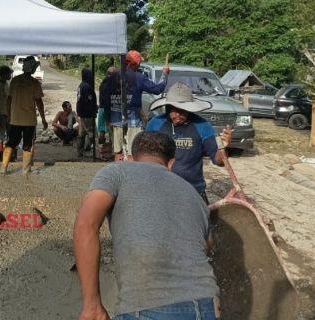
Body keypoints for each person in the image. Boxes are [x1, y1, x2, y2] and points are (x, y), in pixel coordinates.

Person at [73, 132, 219, 320]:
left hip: (149, 304)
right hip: (208, 304)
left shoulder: (117, 171)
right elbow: (206, 246)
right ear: (171, 163)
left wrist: (91, 305)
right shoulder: (194, 194)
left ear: (132, 158)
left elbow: (86, 224)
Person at [145, 82, 232, 204]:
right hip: (160, 188)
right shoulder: (155, 124)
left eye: (182, 110)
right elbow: (144, 156)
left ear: (190, 108)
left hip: (193, 189)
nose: (177, 114)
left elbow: (219, 161)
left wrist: (223, 148)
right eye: (173, 109)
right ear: (167, 107)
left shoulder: (202, 126)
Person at [103, 50, 168, 161]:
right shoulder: (139, 77)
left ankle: (118, 174)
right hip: (133, 119)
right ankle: (131, 175)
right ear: (136, 63)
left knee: (118, 152)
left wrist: (108, 118)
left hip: (115, 117)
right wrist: (164, 75)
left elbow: (106, 98)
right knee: (132, 151)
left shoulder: (113, 76)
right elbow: (157, 89)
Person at [0, 56, 48, 175]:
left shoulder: (14, 81)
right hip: (29, 121)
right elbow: (39, 102)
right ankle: (26, 171)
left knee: (11, 143)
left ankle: (3, 169)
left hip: (15, 119)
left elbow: (9, 100)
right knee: (27, 144)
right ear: (32, 68)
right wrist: (43, 119)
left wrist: (9, 116)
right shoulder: (34, 82)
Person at [77, 68, 98, 158]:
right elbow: (89, 102)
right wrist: (94, 109)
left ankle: (80, 152)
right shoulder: (87, 87)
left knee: (81, 133)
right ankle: (92, 151)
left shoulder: (81, 85)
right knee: (92, 133)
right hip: (87, 114)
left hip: (82, 113)